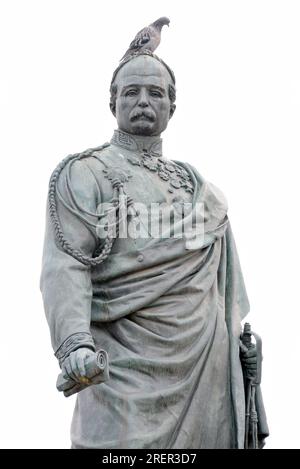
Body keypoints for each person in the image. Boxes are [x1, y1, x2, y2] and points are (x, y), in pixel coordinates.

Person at [40, 51, 268, 449]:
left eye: (155, 93)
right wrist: (74, 342)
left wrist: (240, 352)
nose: (143, 101)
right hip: (122, 366)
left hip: (206, 366)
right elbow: (66, 266)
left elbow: (225, 290)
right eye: (131, 92)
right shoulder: (85, 172)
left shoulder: (200, 190)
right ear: (113, 102)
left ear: (171, 106)